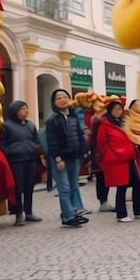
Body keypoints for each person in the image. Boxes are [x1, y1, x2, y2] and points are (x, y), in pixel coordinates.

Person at [96, 99, 140, 222]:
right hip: (117, 161)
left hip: (131, 159)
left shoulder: (124, 122)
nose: (118, 111)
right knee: (121, 187)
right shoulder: (105, 124)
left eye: (120, 108)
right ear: (110, 110)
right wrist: (112, 155)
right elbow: (101, 144)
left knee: (138, 184)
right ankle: (121, 214)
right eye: (115, 109)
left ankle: (138, 211)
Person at [44, 89, 89, 228]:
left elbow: (80, 136)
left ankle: (74, 212)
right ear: (54, 102)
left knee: (74, 185)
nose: (62, 99)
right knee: (64, 188)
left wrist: (83, 151)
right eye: (59, 98)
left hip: (74, 157)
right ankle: (68, 217)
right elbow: (52, 141)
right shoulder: (52, 120)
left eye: (65, 97)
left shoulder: (73, 117)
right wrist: (58, 158)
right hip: (61, 159)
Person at [0, 101, 43, 225]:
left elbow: (36, 140)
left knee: (29, 187)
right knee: (18, 188)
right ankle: (18, 213)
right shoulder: (6, 126)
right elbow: (1, 143)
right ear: (15, 111)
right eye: (22, 109)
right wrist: (10, 153)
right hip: (16, 161)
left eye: (26, 108)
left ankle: (28, 212)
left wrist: (36, 149)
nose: (26, 111)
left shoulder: (30, 125)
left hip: (30, 159)